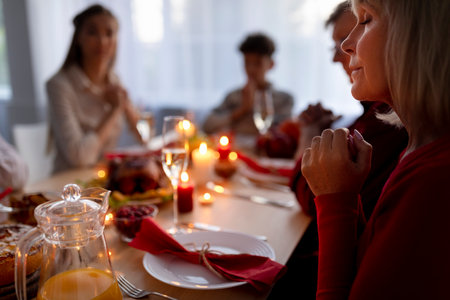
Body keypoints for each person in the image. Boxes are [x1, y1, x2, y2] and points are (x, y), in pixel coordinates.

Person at [301, 0, 450, 298]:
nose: (346, 45)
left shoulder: (435, 180)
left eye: (366, 19)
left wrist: (336, 202)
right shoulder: (414, 153)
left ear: (418, 37)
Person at [269, 2, 408, 298]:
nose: (341, 51)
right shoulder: (377, 115)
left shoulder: (393, 127)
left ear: (409, 38)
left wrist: (308, 135)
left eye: (367, 21)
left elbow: (311, 192)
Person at [46, 4, 142, 173]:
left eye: (109, 33)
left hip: (105, 181)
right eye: (92, 32)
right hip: (69, 187)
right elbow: (79, 157)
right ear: (79, 38)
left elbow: (144, 138)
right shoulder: (59, 86)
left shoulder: (114, 80)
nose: (102, 41)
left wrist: (128, 110)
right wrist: (113, 111)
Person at [202, 33, 294, 137]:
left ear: (271, 64)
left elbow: (285, 134)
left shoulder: (284, 100)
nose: (251, 69)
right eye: (247, 63)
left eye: (257, 63)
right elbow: (207, 126)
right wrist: (242, 109)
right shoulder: (233, 96)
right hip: (235, 151)